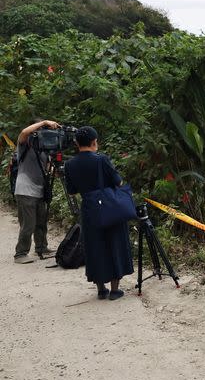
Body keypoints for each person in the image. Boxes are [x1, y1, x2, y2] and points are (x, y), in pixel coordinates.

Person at [64, 127, 133, 300]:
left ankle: (101, 289)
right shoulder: (102, 159)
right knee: (114, 243)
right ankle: (115, 290)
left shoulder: (69, 164)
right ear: (94, 142)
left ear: (76, 143)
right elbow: (119, 182)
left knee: (94, 246)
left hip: (88, 209)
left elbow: (72, 191)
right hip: (109, 207)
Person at [13, 119, 59, 264]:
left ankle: (41, 247)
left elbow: (46, 170)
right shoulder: (25, 145)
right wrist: (44, 122)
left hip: (39, 190)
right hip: (25, 189)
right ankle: (20, 253)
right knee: (28, 223)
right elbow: (23, 133)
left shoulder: (45, 150)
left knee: (41, 221)